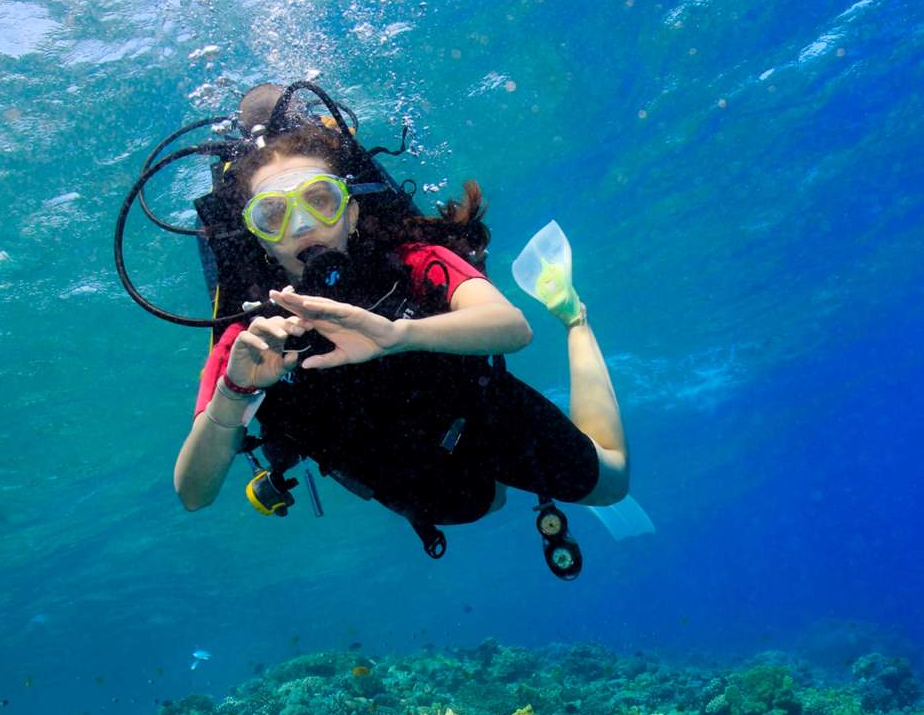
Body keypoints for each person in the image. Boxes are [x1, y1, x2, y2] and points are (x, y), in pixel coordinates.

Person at [171, 84, 629, 579]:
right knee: (481, 505)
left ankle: (574, 317)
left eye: (319, 201)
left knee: (612, 483)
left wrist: (398, 336)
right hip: (402, 472)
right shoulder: (250, 339)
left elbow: (512, 328)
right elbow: (194, 494)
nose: (302, 226)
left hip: (484, 416)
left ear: (350, 213)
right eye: (274, 215)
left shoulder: (410, 261)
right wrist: (235, 393)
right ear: (258, 236)